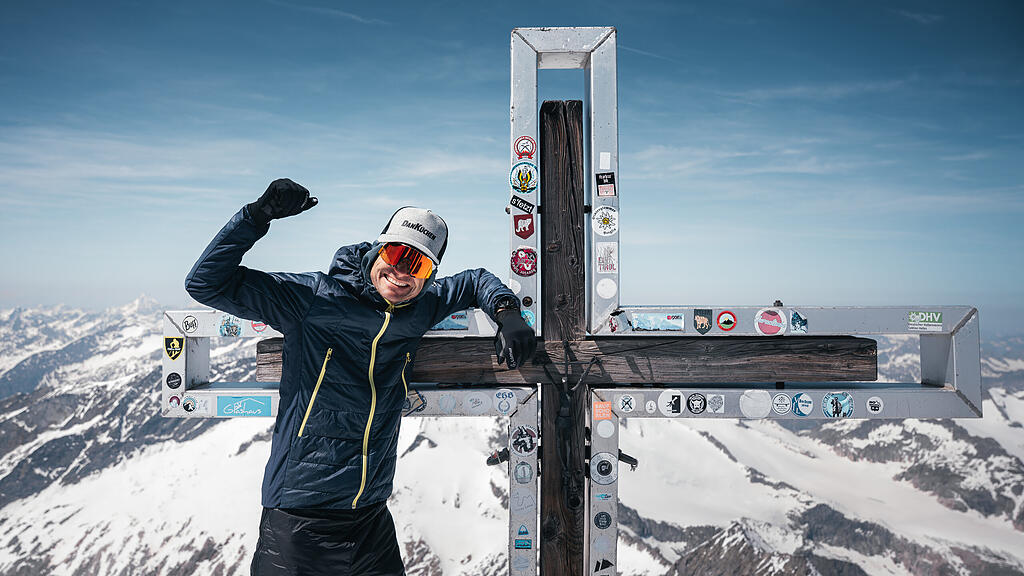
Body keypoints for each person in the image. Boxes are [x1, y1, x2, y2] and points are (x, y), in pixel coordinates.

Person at [185, 178, 536, 575]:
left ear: (429, 274)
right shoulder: (313, 298)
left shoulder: (421, 304)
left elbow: (474, 280)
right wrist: (257, 216)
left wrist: (507, 311)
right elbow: (205, 283)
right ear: (377, 249)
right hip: (299, 520)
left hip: (370, 518)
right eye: (397, 253)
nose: (402, 272)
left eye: (418, 263)